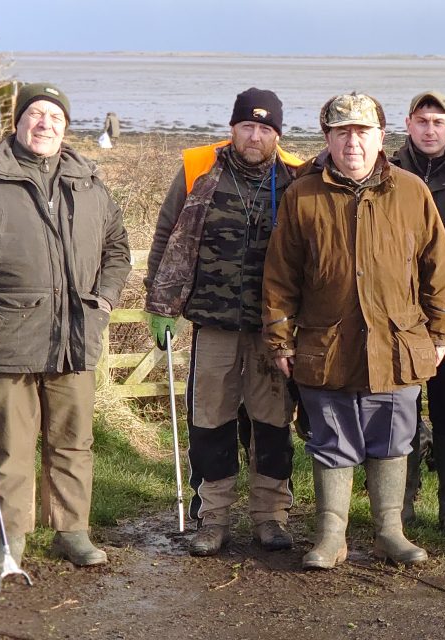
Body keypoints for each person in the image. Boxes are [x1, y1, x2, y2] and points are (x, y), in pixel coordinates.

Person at [0, 82, 131, 573]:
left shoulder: (88, 181)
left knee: (73, 440)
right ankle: (10, 537)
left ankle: (72, 530)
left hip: (75, 337)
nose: (45, 124)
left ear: (66, 128)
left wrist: (103, 301)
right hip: (6, 337)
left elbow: (117, 248)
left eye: (55, 118)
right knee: (11, 444)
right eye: (36, 115)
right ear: (18, 121)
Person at [263, 92, 445, 569]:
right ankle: (332, 537)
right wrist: (279, 338)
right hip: (325, 345)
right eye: (342, 132)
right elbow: (280, 277)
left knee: (392, 437)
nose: (352, 141)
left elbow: (440, 269)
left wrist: (441, 335)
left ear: (381, 137)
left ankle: (390, 532)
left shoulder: (412, 191)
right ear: (327, 137)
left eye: (362, 131)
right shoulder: (301, 195)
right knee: (331, 439)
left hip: (397, 345)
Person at [144, 88, 303, 557]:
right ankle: (212, 519)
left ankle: (271, 517)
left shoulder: (295, 179)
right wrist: (160, 304)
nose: (255, 136)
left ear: (277, 134)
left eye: (265, 129)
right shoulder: (199, 171)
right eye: (247, 127)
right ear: (232, 128)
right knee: (210, 421)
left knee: (273, 422)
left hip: (272, 329)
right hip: (212, 325)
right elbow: (165, 233)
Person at [391, 91, 445, 537]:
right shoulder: (386, 172)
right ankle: (400, 505)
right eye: (422, 121)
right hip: (397, 318)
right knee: (402, 409)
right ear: (408, 124)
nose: (429, 129)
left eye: (437, 121)